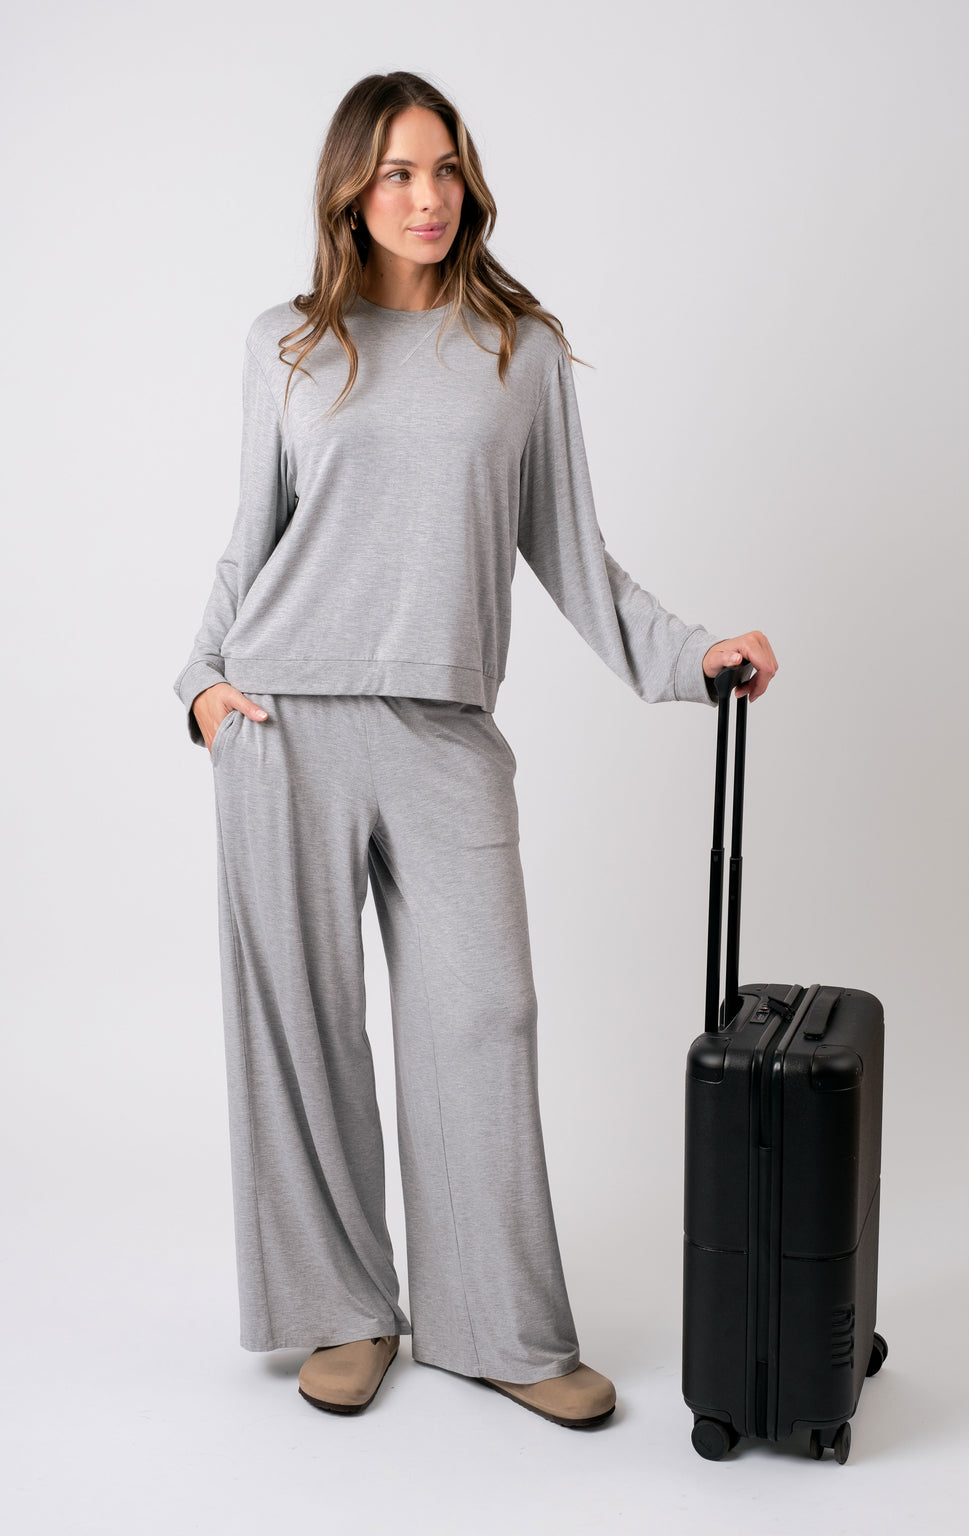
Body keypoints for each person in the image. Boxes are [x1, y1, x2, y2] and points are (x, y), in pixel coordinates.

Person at [173, 70, 777, 1431]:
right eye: (397, 172)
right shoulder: (290, 344)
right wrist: (201, 686)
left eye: (444, 168)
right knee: (302, 1027)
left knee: (482, 1016)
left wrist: (690, 656)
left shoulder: (519, 351)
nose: (427, 195)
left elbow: (575, 555)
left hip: (444, 727)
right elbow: (248, 537)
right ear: (351, 189)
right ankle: (343, 1312)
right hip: (282, 718)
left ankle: (497, 1326)